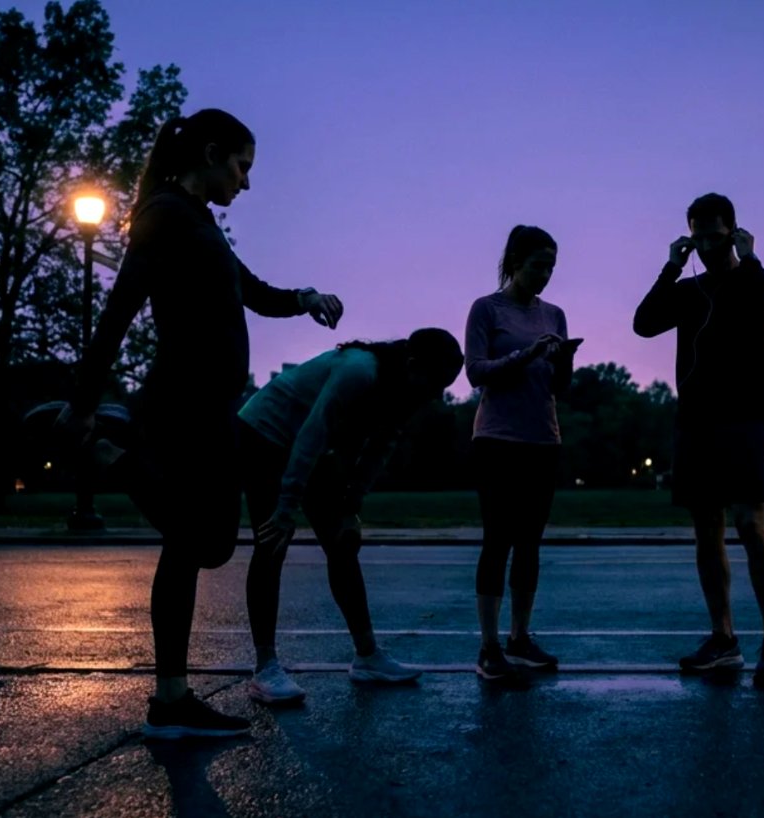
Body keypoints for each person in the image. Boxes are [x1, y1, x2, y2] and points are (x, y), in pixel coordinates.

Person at [59, 108, 346, 738]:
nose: (246, 183)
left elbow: (251, 291)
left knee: (198, 545)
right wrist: (82, 403)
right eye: (242, 166)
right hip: (182, 405)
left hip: (213, 408)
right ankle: (111, 454)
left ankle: (171, 700)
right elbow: (120, 309)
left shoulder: (200, 222)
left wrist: (303, 299)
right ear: (212, 153)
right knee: (203, 541)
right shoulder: (162, 216)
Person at [237, 329, 465, 704]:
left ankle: (367, 656)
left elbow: (379, 448)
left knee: (342, 543)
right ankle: (266, 668)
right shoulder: (359, 371)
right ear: (412, 365)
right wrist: (286, 505)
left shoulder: (403, 392)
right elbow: (313, 431)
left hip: (308, 444)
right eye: (436, 382)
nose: (437, 393)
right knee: (272, 542)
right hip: (264, 432)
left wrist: (350, 509)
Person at [632, 193, 764, 685]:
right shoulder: (687, 290)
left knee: (750, 523)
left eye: (713, 237)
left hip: (743, 418)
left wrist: (750, 258)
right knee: (707, 529)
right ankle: (723, 640)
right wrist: (670, 268)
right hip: (696, 421)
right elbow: (643, 323)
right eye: (696, 237)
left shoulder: (756, 278)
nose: (704, 246)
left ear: (734, 233)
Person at [464, 225, 580, 683]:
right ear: (514, 261)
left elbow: (560, 388)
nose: (546, 275)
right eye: (537, 266)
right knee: (498, 539)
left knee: (530, 542)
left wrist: (563, 362)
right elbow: (475, 372)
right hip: (497, 439)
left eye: (551, 267)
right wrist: (528, 355)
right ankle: (489, 646)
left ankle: (520, 636)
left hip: (543, 439)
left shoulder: (555, 314)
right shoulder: (486, 309)